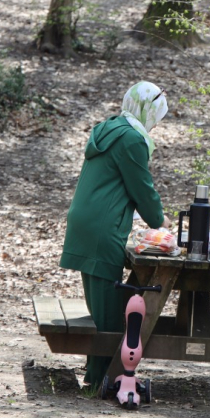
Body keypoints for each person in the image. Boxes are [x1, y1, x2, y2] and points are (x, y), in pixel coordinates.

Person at [60, 82, 168, 389]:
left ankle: (95, 376)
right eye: (157, 117)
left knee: (100, 304)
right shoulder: (131, 139)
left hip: (86, 223)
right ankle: (99, 382)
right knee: (108, 314)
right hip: (102, 229)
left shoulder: (110, 128)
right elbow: (142, 188)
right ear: (147, 111)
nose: (156, 124)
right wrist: (160, 222)